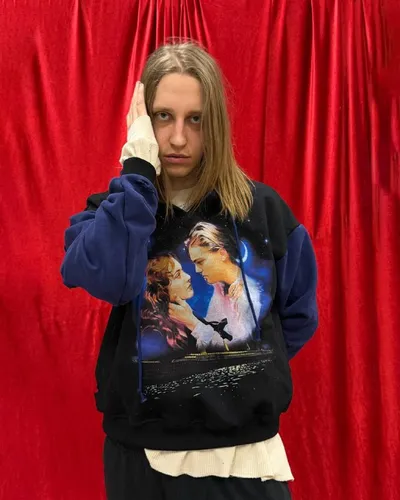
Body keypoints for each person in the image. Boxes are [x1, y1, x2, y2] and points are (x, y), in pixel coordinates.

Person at [61, 41, 318, 500]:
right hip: (143, 459)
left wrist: (246, 374)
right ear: (143, 121)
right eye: (163, 116)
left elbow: (297, 318)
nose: (178, 138)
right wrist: (137, 173)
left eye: (195, 119)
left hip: (245, 460)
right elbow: (109, 278)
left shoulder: (264, 211)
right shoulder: (115, 212)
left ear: (215, 123)